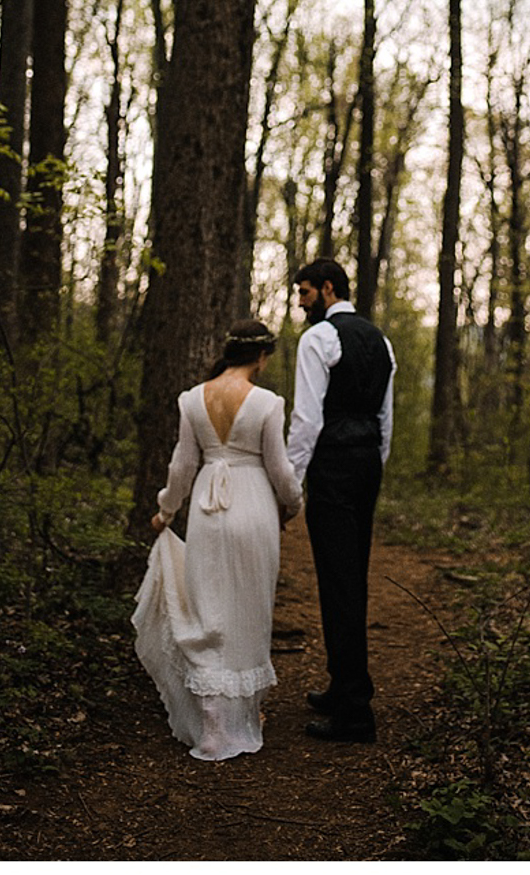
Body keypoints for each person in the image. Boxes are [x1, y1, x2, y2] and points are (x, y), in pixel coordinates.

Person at [133, 318, 304, 761]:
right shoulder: (267, 402)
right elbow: (281, 471)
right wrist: (294, 502)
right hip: (253, 508)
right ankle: (241, 718)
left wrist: (165, 511)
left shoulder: (192, 399)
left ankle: (212, 724)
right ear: (262, 357)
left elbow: (181, 467)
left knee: (209, 607)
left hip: (208, 511)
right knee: (248, 607)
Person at [289, 258, 396, 744]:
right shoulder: (381, 340)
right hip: (367, 463)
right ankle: (345, 687)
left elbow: (307, 420)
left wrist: (291, 483)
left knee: (338, 582)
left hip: (332, 464)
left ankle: (354, 712)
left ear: (328, 289)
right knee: (352, 573)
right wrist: (375, 464)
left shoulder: (317, 340)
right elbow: (385, 418)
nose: (301, 302)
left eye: (306, 292)